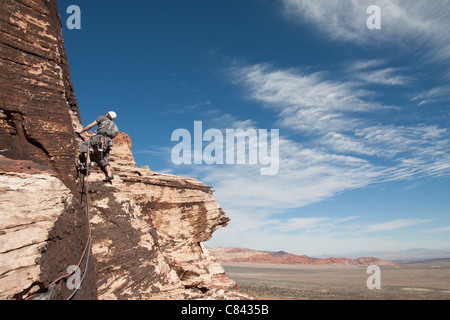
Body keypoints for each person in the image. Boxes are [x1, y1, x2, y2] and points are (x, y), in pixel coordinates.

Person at [77, 111, 118, 183]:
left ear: (107, 114)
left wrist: (81, 131)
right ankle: (109, 174)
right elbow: (102, 134)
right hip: (106, 141)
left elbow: (91, 126)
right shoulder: (112, 125)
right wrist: (89, 135)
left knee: (85, 144)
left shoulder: (102, 118)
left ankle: (88, 162)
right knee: (102, 156)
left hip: (99, 138)